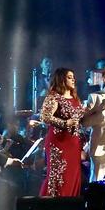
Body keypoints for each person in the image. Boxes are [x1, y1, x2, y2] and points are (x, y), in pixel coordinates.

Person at [39, 68, 87, 197]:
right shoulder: (54, 97)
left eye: (73, 77)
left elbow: (81, 117)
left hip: (73, 143)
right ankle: (51, 209)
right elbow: (45, 117)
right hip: (58, 144)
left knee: (72, 177)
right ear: (61, 79)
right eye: (70, 77)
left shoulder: (75, 98)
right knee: (58, 177)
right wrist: (65, 123)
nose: (73, 79)